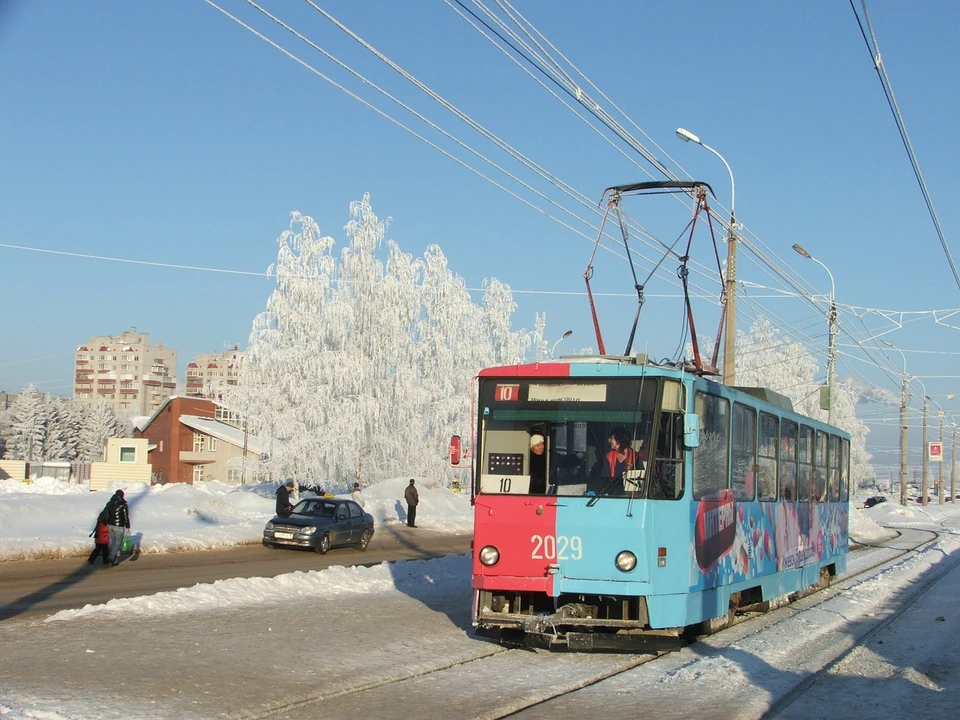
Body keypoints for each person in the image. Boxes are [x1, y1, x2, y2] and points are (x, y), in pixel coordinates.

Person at [105, 489, 130, 566]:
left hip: (110, 526)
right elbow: (125, 516)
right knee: (118, 544)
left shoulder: (110, 503)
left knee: (114, 543)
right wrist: (128, 525)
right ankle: (111, 557)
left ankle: (114, 561)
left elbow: (106, 514)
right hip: (119, 526)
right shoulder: (123, 504)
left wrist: (107, 522)